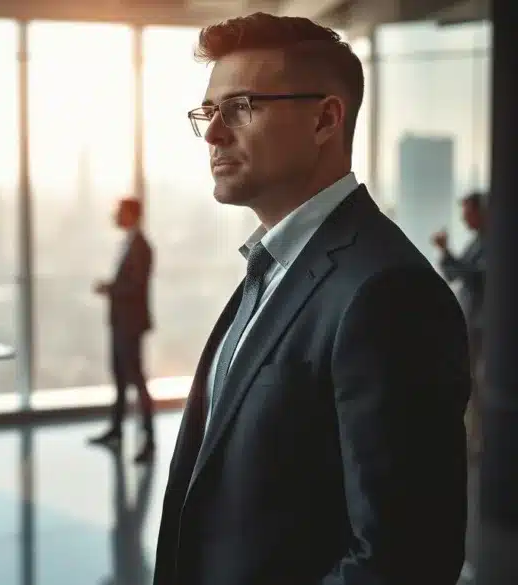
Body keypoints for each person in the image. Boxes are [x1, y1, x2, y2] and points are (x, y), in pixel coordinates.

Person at [153, 13, 471, 585]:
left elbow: (404, 561)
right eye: (209, 112)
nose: (214, 134)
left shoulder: (386, 294)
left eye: (241, 107)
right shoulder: (276, 265)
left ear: (326, 119)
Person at [89, 197, 156, 463]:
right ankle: (117, 430)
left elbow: (136, 286)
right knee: (119, 377)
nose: (115, 216)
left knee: (137, 381)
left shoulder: (141, 247)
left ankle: (149, 441)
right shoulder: (129, 243)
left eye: (119, 212)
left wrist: (109, 289)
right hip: (121, 323)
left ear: (132, 214)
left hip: (130, 324)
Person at [433, 191, 487, 457]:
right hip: (473, 325)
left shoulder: (492, 243)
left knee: (480, 383)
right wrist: (445, 252)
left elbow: (473, 275)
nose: (464, 218)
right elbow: (457, 274)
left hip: (482, 328)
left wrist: (446, 252)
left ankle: (480, 442)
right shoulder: (478, 242)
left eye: (467, 211)